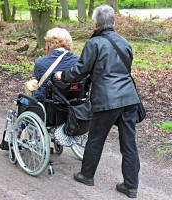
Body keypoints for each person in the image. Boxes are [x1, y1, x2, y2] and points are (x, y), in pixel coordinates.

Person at [55, 5, 141, 199]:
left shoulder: (94, 44)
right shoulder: (125, 43)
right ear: (113, 22)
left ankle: (86, 175)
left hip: (106, 99)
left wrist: (63, 76)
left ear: (95, 23)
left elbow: (80, 71)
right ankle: (131, 186)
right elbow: (125, 70)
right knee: (129, 144)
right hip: (129, 99)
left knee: (95, 139)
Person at [22, 27, 79, 105]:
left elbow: (40, 83)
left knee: (23, 99)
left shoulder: (40, 62)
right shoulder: (79, 61)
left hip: (46, 104)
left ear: (48, 45)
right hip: (73, 104)